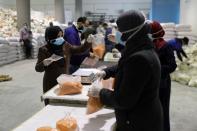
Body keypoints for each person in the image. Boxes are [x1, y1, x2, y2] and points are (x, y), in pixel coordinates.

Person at [88, 10, 163, 131]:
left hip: (139, 122)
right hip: (144, 114)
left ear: (131, 31)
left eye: (119, 30)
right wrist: (106, 72)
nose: (117, 33)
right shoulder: (142, 47)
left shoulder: (140, 58)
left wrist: (101, 92)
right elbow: (126, 65)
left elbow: (123, 100)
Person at [35, 26, 92, 105]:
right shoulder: (44, 49)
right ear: (51, 36)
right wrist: (44, 63)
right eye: (58, 36)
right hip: (51, 82)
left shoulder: (65, 45)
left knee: (65, 103)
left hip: (65, 81)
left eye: (62, 36)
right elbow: (38, 68)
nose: (61, 38)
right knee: (51, 104)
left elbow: (79, 49)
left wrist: (88, 42)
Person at [150, 21, 177, 131]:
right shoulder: (150, 45)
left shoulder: (166, 46)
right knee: (153, 110)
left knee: (163, 109)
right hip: (152, 83)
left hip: (163, 83)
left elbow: (172, 66)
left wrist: (157, 68)